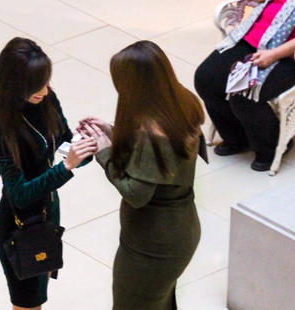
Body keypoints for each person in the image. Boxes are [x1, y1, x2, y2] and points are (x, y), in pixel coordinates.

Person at [78, 40, 207, 310]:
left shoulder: (152, 134)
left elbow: (136, 194)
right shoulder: (181, 103)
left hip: (153, 245)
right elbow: (159, 162)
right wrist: (113, 131)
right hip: (180, 230)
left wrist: (105, 153)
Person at [0, 37, 97, 310]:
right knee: (27, 303)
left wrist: (85, 147)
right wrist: (66, 167)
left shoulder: (47, 99)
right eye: (36, 85)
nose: (44, 91)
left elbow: (63, 141)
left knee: (37, 297)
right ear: (14, 84)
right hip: (18, 225)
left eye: (46, 82)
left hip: (48, 213)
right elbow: (20, 194)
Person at [195, 0, 295, 171]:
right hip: (255, 36)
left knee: (244, 93)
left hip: (293, 54)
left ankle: (270, 146)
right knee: (206, 78)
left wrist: (273, 54)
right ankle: (237, 138)